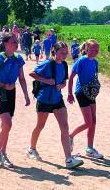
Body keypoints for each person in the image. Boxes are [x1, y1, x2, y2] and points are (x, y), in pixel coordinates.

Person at [26, 41, 84, 169]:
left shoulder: (64, 65)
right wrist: (47, 80)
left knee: (65, 127)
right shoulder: (47, 63)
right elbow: (32, 74)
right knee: (40, 126)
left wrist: (61, 85)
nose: (64, 55)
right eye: (61, 52)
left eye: (66, 53)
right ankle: (31, 148)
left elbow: (63, 82)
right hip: (44, 99)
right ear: (54, 51)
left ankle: (69, 159)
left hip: (57, 99)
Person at [0, 33, 30, 168]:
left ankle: (3, 154)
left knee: (6, 126)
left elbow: (22, 78)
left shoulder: (18, 59)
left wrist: (26, 94)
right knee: (7, 124)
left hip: (12, 93)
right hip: (0, 93)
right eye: (13, 42)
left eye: (16, 41)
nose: (16, 43)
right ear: (6, 44)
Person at [67, 39, 103, 159]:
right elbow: (71, 77)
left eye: (97, 50)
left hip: (90, 93)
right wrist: (69, 94)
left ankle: (89, 148)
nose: (95, 51)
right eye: (92, 49)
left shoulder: (95, 62)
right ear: (86, 49)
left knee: (94, 121)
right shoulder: (81, 61)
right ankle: (70, 136)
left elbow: (94, 77)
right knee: (88, 122)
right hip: (81, 92)